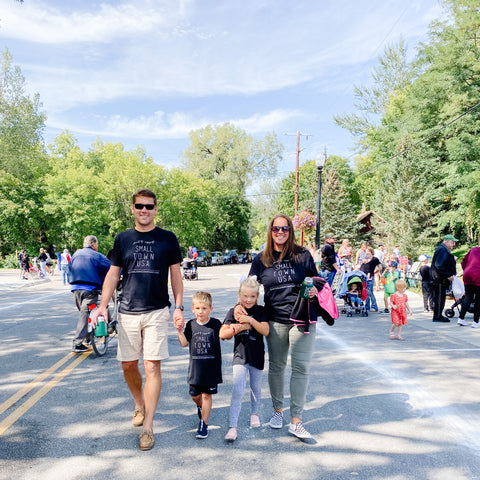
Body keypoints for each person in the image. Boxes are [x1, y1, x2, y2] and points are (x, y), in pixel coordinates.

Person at [91, 188, 184, 451]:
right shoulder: (123, 239)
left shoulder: (167, 239)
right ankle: (139, 404)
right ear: (132, 209)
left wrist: (178, 306)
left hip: (156, 310)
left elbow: (176, 276)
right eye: (139, 206)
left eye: (149, 206)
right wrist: (101, 306)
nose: (144, 210)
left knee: (152, 366)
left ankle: (148, 427)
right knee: (128, 366)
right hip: (128, 311)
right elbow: (112, 275)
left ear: (156, 209)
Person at [245, 214, 318, 440]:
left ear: (290, 231)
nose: (280, 233)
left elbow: (316, 280)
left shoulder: (302, 255)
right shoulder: (261, 259)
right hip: (274, 320)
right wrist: (242, 310)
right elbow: (250, 287)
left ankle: (296, 420)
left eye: (284, 229)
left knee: (301, 368)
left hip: (302, 319)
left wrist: (315, 289)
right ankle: (278, 412)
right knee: (276, 367)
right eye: (276, 229)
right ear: (270, 231)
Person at [220, 277, 269, 442]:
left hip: (257, 356)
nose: (248, 300)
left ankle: (254, 414)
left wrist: (250, 320)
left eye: (252, 297)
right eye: (245, 296)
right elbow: (222, 334)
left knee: (255, 388)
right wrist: (239, 327)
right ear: (240, 295)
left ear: (257, 297)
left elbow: (265, 331)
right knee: (238, 390)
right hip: (240, 356)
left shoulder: (260, 311)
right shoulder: (234, 312)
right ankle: (232, 426)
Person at [175, 291, 222, 440]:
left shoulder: (215, 324)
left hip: (211, 369)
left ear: (210, 309)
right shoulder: (191, 324)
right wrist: (179, 331)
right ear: (193, 309)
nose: (201, 312)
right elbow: (184, 343)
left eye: (204, 308)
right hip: (195, 370)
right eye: (198, 308)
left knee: (207, 395)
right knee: (195, 396)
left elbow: (225, 335)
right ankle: (201, 407)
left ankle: (204, 423)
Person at [68, 235, 111, 353]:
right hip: (90, 289)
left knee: (84, 314)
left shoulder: (75, 255)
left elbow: (69, 268)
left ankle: (87, 338)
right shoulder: (96, 255)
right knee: (85, 313)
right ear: (93, 244)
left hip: (76, 288)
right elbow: (112, 268)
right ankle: (77, 343)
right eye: (97, 244)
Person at [431, 234, 458, 323]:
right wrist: (447, 275)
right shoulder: (442, 250)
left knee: (440, 297)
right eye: (452, 242)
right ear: (446, 241)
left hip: (439, 278)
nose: (453, 245)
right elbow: (439, 265)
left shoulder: (442, 249)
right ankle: (437, 316)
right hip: (439, 278)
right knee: (439, 297)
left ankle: (438, 315)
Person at [457, 246, 480, 328]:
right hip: (478, 276)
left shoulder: (473, 249)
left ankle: (461, 318)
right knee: (478, 300)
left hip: (468, 275)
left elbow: (463, 262)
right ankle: (476, 322)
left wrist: (466, 270)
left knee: (468, 297)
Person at [359, 247, 381, 312]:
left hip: (370, 277)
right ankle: (367, 306)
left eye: (368, 251)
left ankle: (374, 306)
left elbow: (380, 267)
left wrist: (375, 271)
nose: (367, 253)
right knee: (365, 291)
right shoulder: (365, 259)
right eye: (366, 252)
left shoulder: (375, 259)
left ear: (371, 252)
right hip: (363, 277)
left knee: (370, 292)